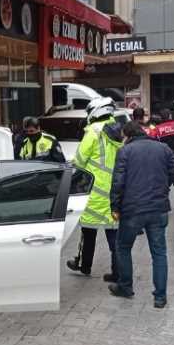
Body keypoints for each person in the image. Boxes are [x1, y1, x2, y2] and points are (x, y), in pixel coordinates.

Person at [109, 121, 174, 309]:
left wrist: (114, 206)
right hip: (158, 209)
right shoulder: (163, 149)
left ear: (128, 135)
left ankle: (125, 287)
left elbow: (118, 182)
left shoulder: (125, 152)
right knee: (159, 253)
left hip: (132, 210)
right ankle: (160, 297)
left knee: (123, 247)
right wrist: (165, 187)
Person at [67, 101, 124, 281]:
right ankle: (118, 272)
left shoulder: (93, 131)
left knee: (88, 231)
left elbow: (80, 160)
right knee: (114, 236)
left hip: (94, 192)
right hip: (114, 192)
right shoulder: (119, 130)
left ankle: (85, 266)